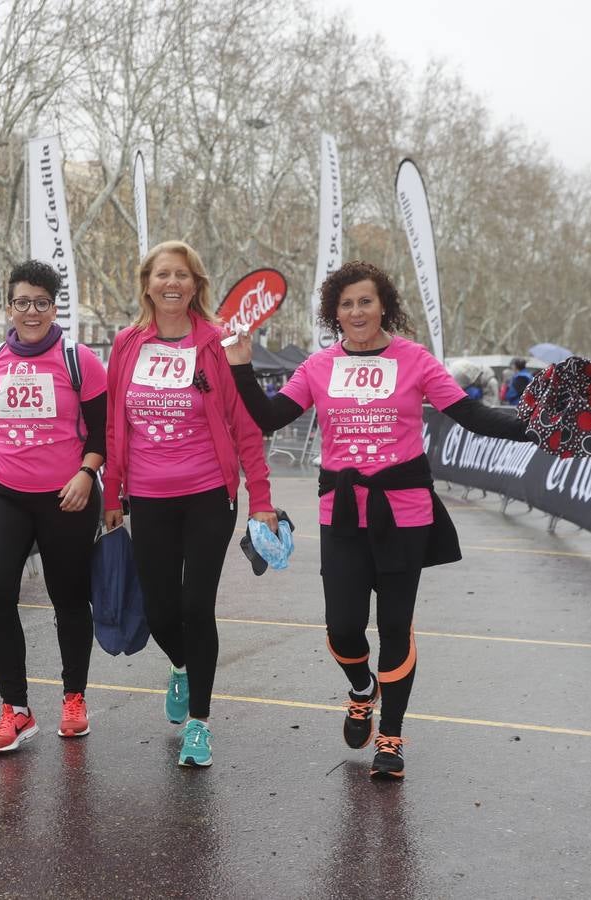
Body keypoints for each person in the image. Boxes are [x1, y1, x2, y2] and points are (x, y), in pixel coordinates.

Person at [224, 260, 533, 780]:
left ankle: (391, 736)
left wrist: (536, 429)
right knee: (342, 626)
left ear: (383, 304)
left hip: (405, 511)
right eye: (346, 304)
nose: (356, 311)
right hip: (341, 512)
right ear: (334, 313)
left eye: (365, 301)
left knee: (395, 626)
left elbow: (472, 416)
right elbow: (270, 418)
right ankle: (362, 689)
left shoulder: (416, 360)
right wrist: (239, 366)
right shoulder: (318, 367)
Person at [103, 240, 275, 768]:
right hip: (148, 498)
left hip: (207, 496)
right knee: (159, 612)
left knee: (197, 607)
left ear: (196, 284)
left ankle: (200, 722)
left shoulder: (218, 345)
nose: (172, 283)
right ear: (147, 283)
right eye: (162, 274)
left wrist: (261, 499)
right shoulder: (127, 343)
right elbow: (114, 424)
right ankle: (180, 665)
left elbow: (246, 428)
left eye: (182, 275)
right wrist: (112, 495)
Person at [0, 260, 108, 755]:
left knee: (68, 600)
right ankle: (15, 710)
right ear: (9, 306)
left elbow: (104, 434)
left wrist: (87, 473)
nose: (31, 311)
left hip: (67, 497)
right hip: (2, 493)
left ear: (54, 306)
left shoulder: (80, 359)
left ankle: (74, 699)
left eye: (41, 302)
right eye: (22, 302)